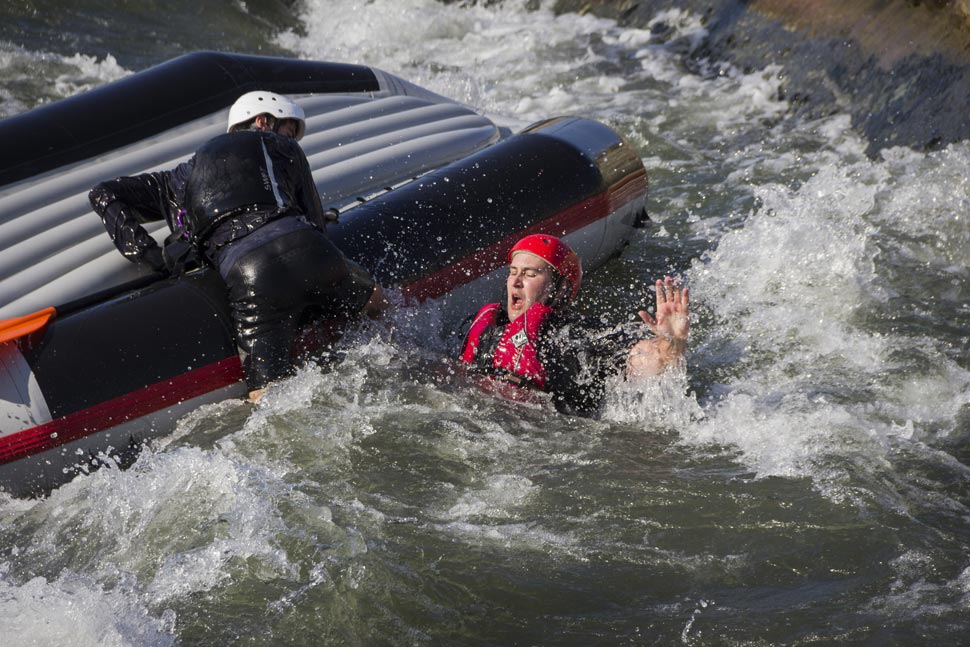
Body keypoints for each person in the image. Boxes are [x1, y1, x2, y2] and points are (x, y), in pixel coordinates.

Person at [89, 90, 386, 402]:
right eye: (289, 131)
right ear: (262, 121)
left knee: (266, 397)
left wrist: (151, 257)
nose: (292, 140)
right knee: (379, 304)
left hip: (249, 276)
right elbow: (316, 223)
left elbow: (103, 194)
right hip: (307, 250)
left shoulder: (179, 177)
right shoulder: (279, 146)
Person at [458, 234, 689, 415]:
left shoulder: (575, 337)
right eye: (513, 272)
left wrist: (670, 343)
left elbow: (639, 362)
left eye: (529, 275)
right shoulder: (487, 328)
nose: (516, 282)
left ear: (560, 291)